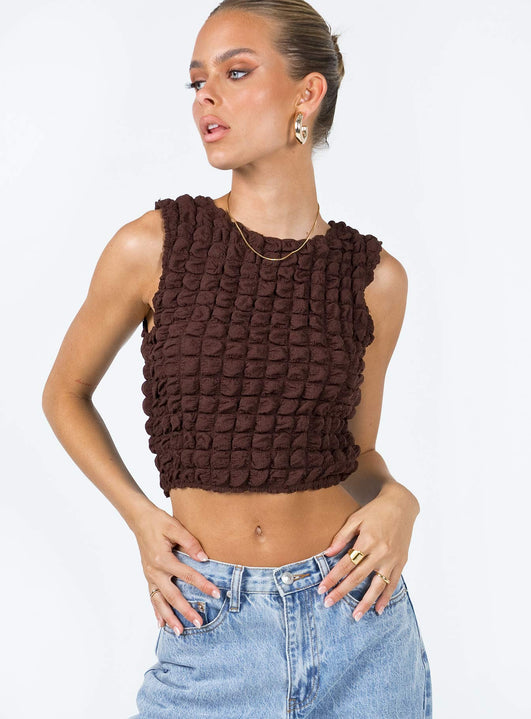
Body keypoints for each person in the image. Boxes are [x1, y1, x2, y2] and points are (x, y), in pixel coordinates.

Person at [42, 1, 433, 716]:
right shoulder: (153, 246)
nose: (206, 98)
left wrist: (399, 502)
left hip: (358, 622)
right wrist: (139, 517)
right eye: (197, 81)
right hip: (208, 620)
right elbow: (64, 393)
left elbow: (354, 455)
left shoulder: (375, 280)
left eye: (236, 72)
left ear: (306, 94)